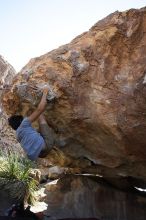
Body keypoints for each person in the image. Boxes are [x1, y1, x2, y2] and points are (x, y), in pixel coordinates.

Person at [8, 87, 56, 161]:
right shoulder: (24, 124)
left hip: (40, 155)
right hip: (47, 145)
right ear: (21, 121)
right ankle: (45, 99)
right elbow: (40, 109)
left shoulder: (17, 135)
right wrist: (45, 92)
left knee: (34, 132)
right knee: (40, 115)